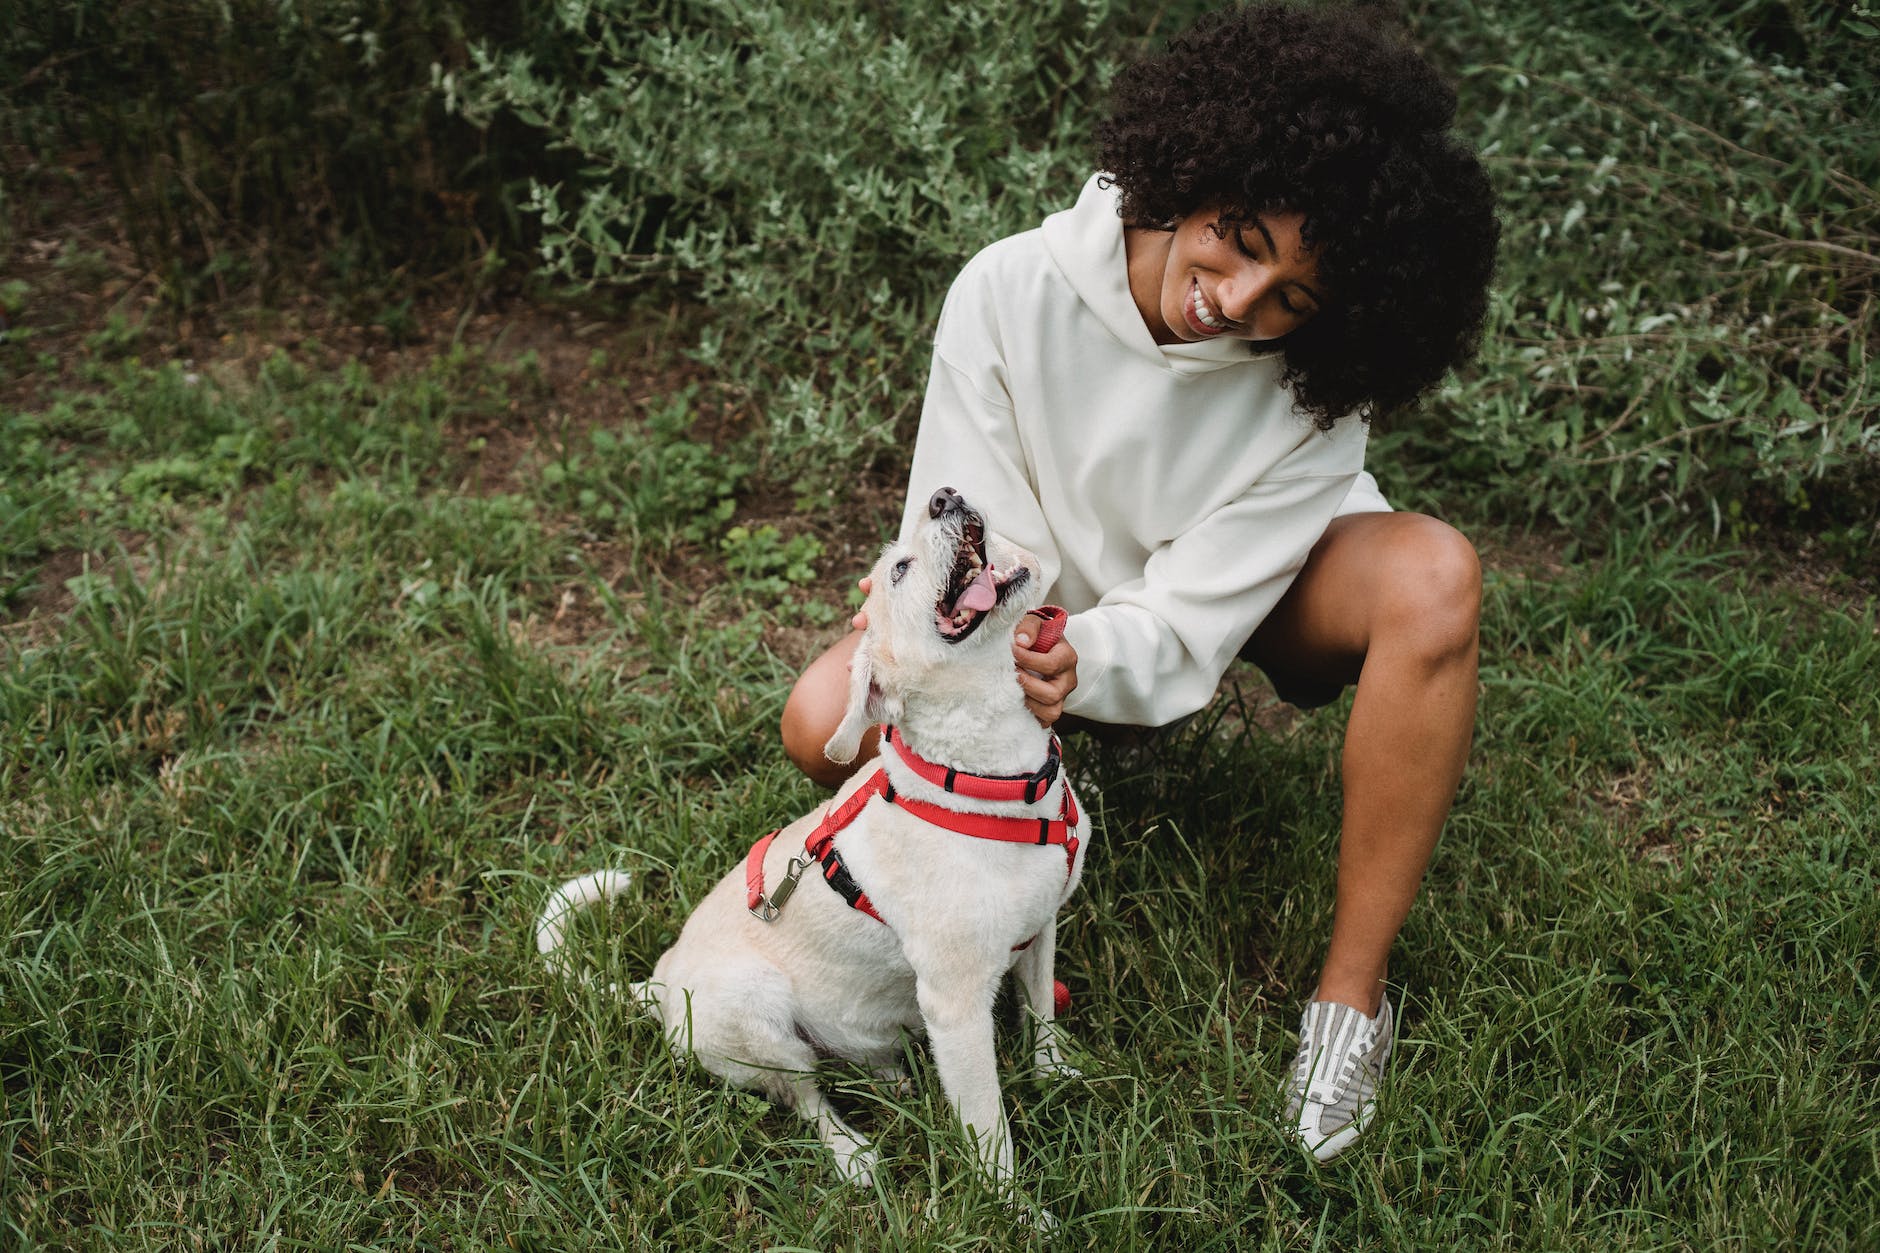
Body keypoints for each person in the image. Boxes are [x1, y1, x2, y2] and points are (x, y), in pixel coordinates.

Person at [780, 2, 1498, 1162]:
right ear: (1201, 170)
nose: (1241, 302)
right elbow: (966, 540)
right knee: (820, 725)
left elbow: (1198, 607)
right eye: (1240, 239)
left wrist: (1096, 660)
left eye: (1294, 301)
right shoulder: (1009, 290)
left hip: (1229, 606)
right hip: (1027, 626)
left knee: (1432, 575)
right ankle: (1023, 802)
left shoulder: (1311, 386)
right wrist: (1033, 667)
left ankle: (1344, 1005)